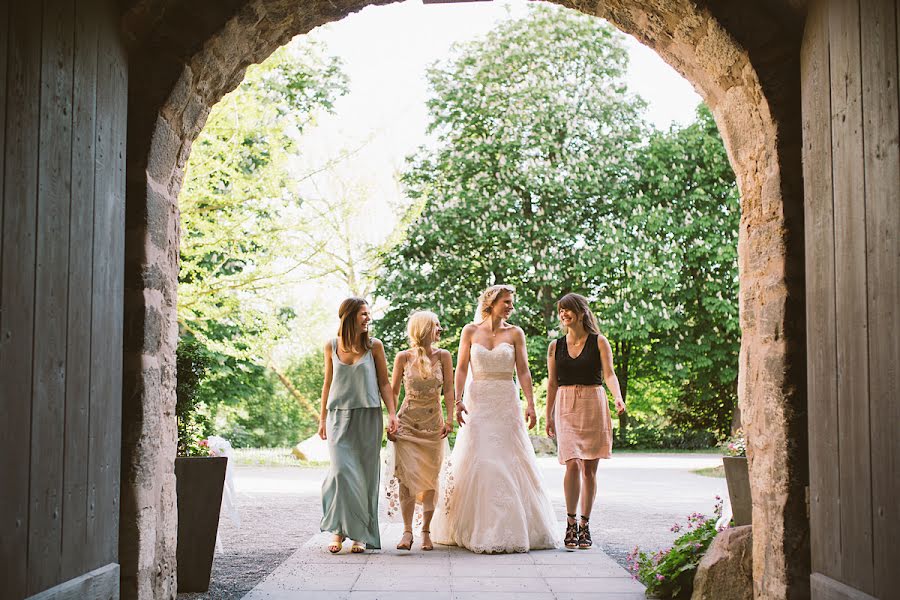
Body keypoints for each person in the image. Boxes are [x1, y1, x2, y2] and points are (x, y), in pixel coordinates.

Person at [431, 284, 558, 553]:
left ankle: (510, 527)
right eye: (507, 302)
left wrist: (531, 404)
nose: (511, 306)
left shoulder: (515, 333)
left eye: (511, 302)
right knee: (483, 460)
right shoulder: (470, 331)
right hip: (478, 401)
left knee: (507, 460)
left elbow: (523, 371)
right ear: (492, 302)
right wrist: (456, 401)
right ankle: (480, 526)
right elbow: (462, 368)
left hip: (505, 401)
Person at [545, 293, 626, 550]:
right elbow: (551, 383)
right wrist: (548, 415)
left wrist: (618, 397)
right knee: (572, 463)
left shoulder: (599, 341)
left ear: (581, 312)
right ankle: (569, 523)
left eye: (567, 310)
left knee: (590, 469)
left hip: (594, 403)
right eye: (561, 311)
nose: (563, 315)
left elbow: (610, 375)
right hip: (566, 406)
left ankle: (585, 524)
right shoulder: (554, 346)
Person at [318, 297, 399, 554]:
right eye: (363, 314)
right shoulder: (331, 346)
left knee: (365, 476)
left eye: (368, 314)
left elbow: (385, 384)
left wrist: (393, 414)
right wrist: (321, 419)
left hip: (368, 416)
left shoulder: (374, 346)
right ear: (349, 316)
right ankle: (338, 529)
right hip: (338, 417)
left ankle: (358, 534)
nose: (368, 318)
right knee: (341, 473)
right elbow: (327, 384)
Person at [383, 311, 454, 551]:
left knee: (430, 478)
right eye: (436, 325)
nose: (440, 329)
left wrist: (451, 419)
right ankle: (406, 532)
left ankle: (426, 532)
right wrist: (391, 418)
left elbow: (450, 391)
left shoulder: (444, 356)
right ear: (423, 329)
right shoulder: (403, 357)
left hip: (434, 425)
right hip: (407, 425)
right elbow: (392, 391)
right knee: (406, 479)